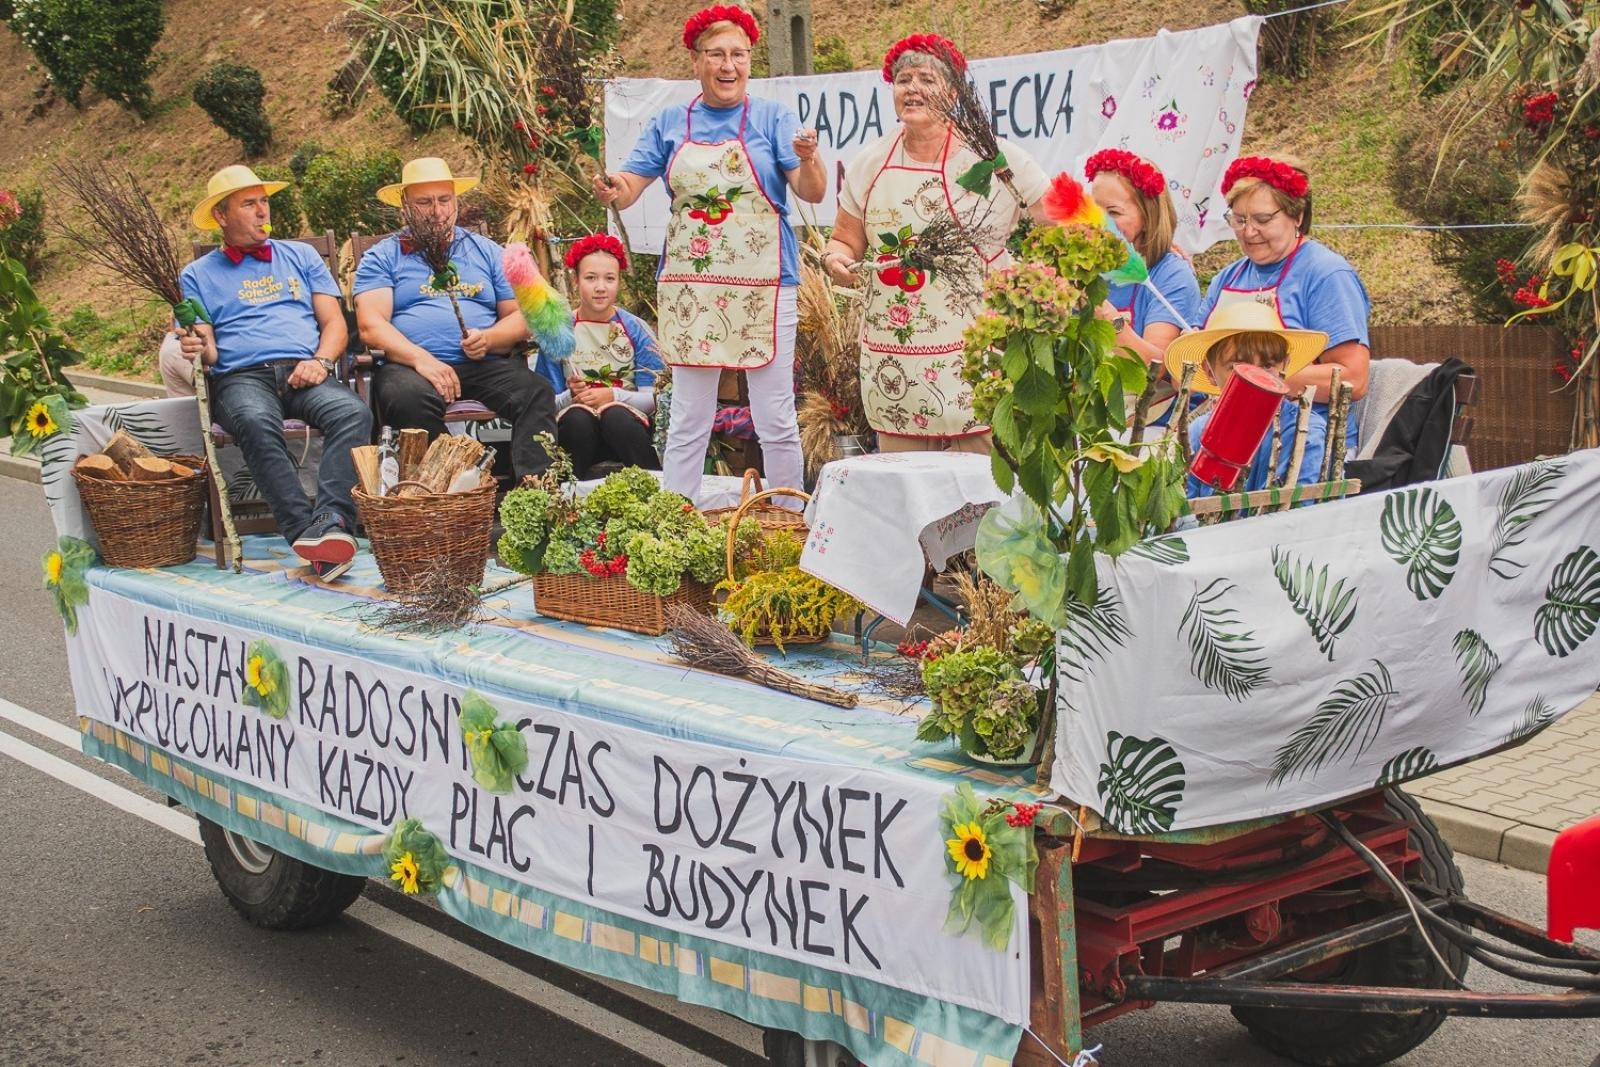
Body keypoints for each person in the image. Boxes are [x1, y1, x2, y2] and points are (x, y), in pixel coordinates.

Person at [591, 4, 823, 500]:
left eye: (738, 54)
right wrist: (614, 187)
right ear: (695, 61)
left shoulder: (773, 117)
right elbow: (631, 184)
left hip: (767, 285)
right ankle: (678, 517)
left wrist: (810, 159)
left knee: (775, 415)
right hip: (693, 287)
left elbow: (811, 191)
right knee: (691, 415)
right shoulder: (671, 121)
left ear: (750, 61)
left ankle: (789, 516)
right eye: (716, 54)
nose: (728, 65)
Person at [819, 33, 1052, 452]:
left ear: (954, 90)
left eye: (927, 79)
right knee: (905, 491)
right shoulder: (870, 163)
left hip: (978, 351)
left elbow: (1061, 225)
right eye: (903, 79)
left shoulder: (997, 159)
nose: (913, 89)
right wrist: (836, 258)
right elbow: (844, 240)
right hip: (896, 361)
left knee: (984, 486)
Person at [178, 165, 371, 580]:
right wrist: (196, 344)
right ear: (222, 217)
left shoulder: (300, 256)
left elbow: (335, 323)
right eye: (249, 204)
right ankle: (306, 532)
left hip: (305, 369)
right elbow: (208, 349)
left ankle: (332, 521)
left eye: (264, 201)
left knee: (353, 412)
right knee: (253, 419)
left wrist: (320, 362)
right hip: (241, 377)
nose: (263, 211)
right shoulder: (197, 275)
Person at [354, 157, 556, 480]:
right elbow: (370, 325)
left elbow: (521, 318)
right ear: (405, 208)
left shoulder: (486, 252)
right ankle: (443, 498)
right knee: (407, 398)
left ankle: (535, 498)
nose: (437, 210)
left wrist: (489, 338)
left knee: (536, 391)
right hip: (411, 367)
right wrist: (421, 359)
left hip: (481, 363)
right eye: (424, 202)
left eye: (444, 199)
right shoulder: (384, 256)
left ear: (456, 203)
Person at [1196, 155, 1370, 453]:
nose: (1249, 232)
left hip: (1304, 442)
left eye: (1263, 220)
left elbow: (1353, 378)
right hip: (1227, 436)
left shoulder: (1325, 274)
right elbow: (1190, 369)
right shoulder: (1226, 279)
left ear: (1297, 216)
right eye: (1238, 220)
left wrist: (1253, 383)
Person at [1163, 301, 1328, 498]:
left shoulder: (1303, 433)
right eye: (1237, 367)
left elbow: (1301, 513)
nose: (1255, 377)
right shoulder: (1197, 433)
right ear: (1209, 371)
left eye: (1267, 365)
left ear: (1283, 366)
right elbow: (1181, 506)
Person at [533, 234, 662, 479]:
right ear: (575, 281)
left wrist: (613, 396)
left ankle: (655, 491)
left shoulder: (636, 330)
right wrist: (571, 397)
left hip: (627, 431)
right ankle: (566, 500)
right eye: (590, 278)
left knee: (615, 416)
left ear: (619, 282)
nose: (600, 287)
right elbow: (544, 404)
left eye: (609, 278)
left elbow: (656, 400)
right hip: (577, 434)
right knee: (577, 420)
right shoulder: (559, 332)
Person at [1085, 148, 1201, 373]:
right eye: (1093, 210)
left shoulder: (1171, 275)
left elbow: (1155, 370)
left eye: (1113, 212)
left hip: (1143, 406)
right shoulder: (1082, 266)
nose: (1099, 222)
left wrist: (1108, 318)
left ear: (1149, 218)